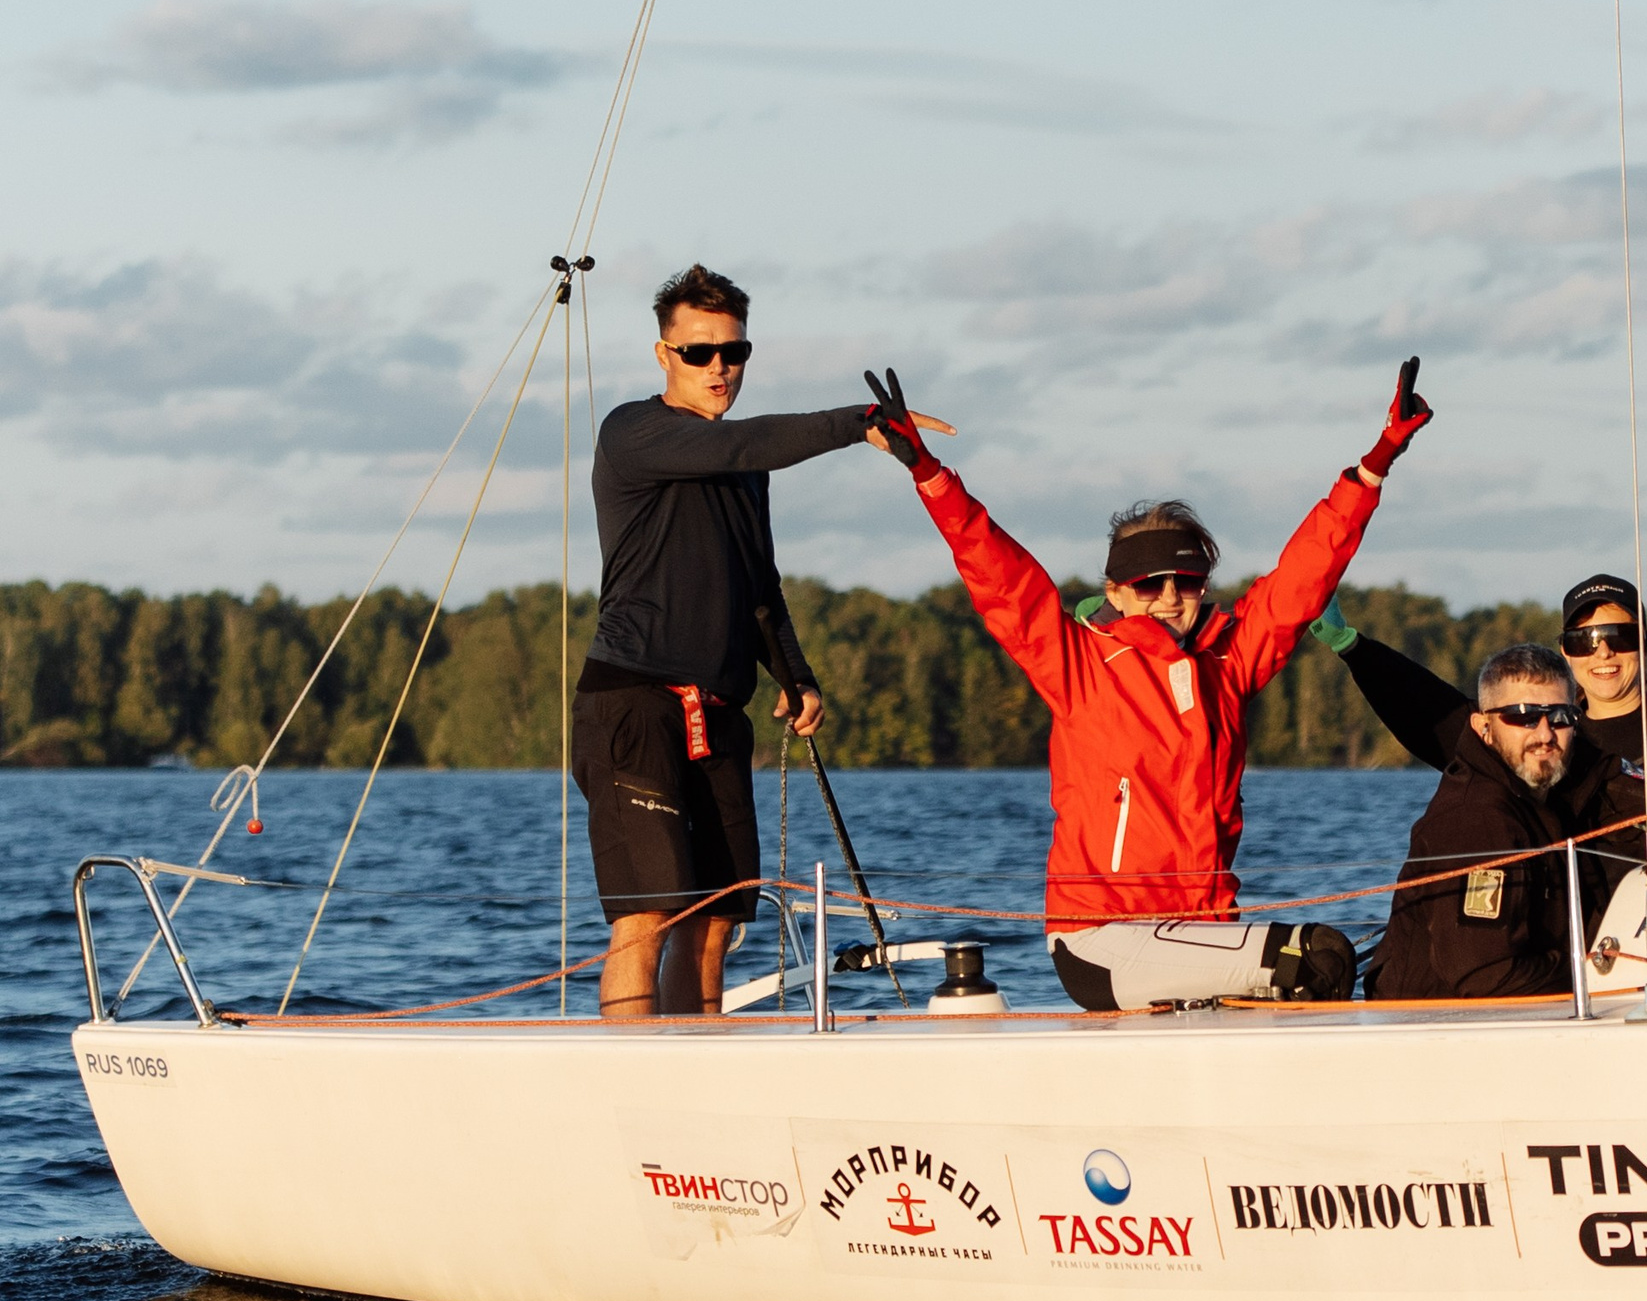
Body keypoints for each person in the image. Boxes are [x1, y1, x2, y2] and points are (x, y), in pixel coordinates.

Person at [864, 361, 1433, 1009]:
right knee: (1318, 956)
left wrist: (1376, 463)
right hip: (1101, 941)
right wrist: (929, 473)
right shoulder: (1079, 662)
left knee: (1372, 952)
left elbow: (1305, 573)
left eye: (1186, 583)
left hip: (1198, 936)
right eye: (1149, 585)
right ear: (1114, 592)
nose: (1170, 597)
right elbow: (1000, 574)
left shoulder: (1229, 661)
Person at [572, 263, 934, 1018]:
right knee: (648, 917)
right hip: (634, 704)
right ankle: (627, 1097)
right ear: (663, 355)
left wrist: (795, 676)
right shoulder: (633, 433)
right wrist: (857, 421)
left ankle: (695, 1091)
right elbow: (741, 447)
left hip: (720, 709)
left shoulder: (747, 469)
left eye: (733, 352)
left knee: (716, 925)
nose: (719, 368)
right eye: (700, 353)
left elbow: (758, 583)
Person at [1310, 573, 1647, 873]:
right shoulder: (1538, 732)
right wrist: (1353, 647)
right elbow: (1432, 712)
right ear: (1565, 651)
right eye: (1584, 640)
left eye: (1619, 636)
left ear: (1646, 644)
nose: (1603, 652)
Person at [1371, 644, 1614, 1000]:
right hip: (1434, 1030)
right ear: (1484, 726)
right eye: (1524, 716)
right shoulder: (1476, 820)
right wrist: (1596, 966)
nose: (1545, 735)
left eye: (1560, 717)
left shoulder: (1543, 792)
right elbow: (1483, 974)